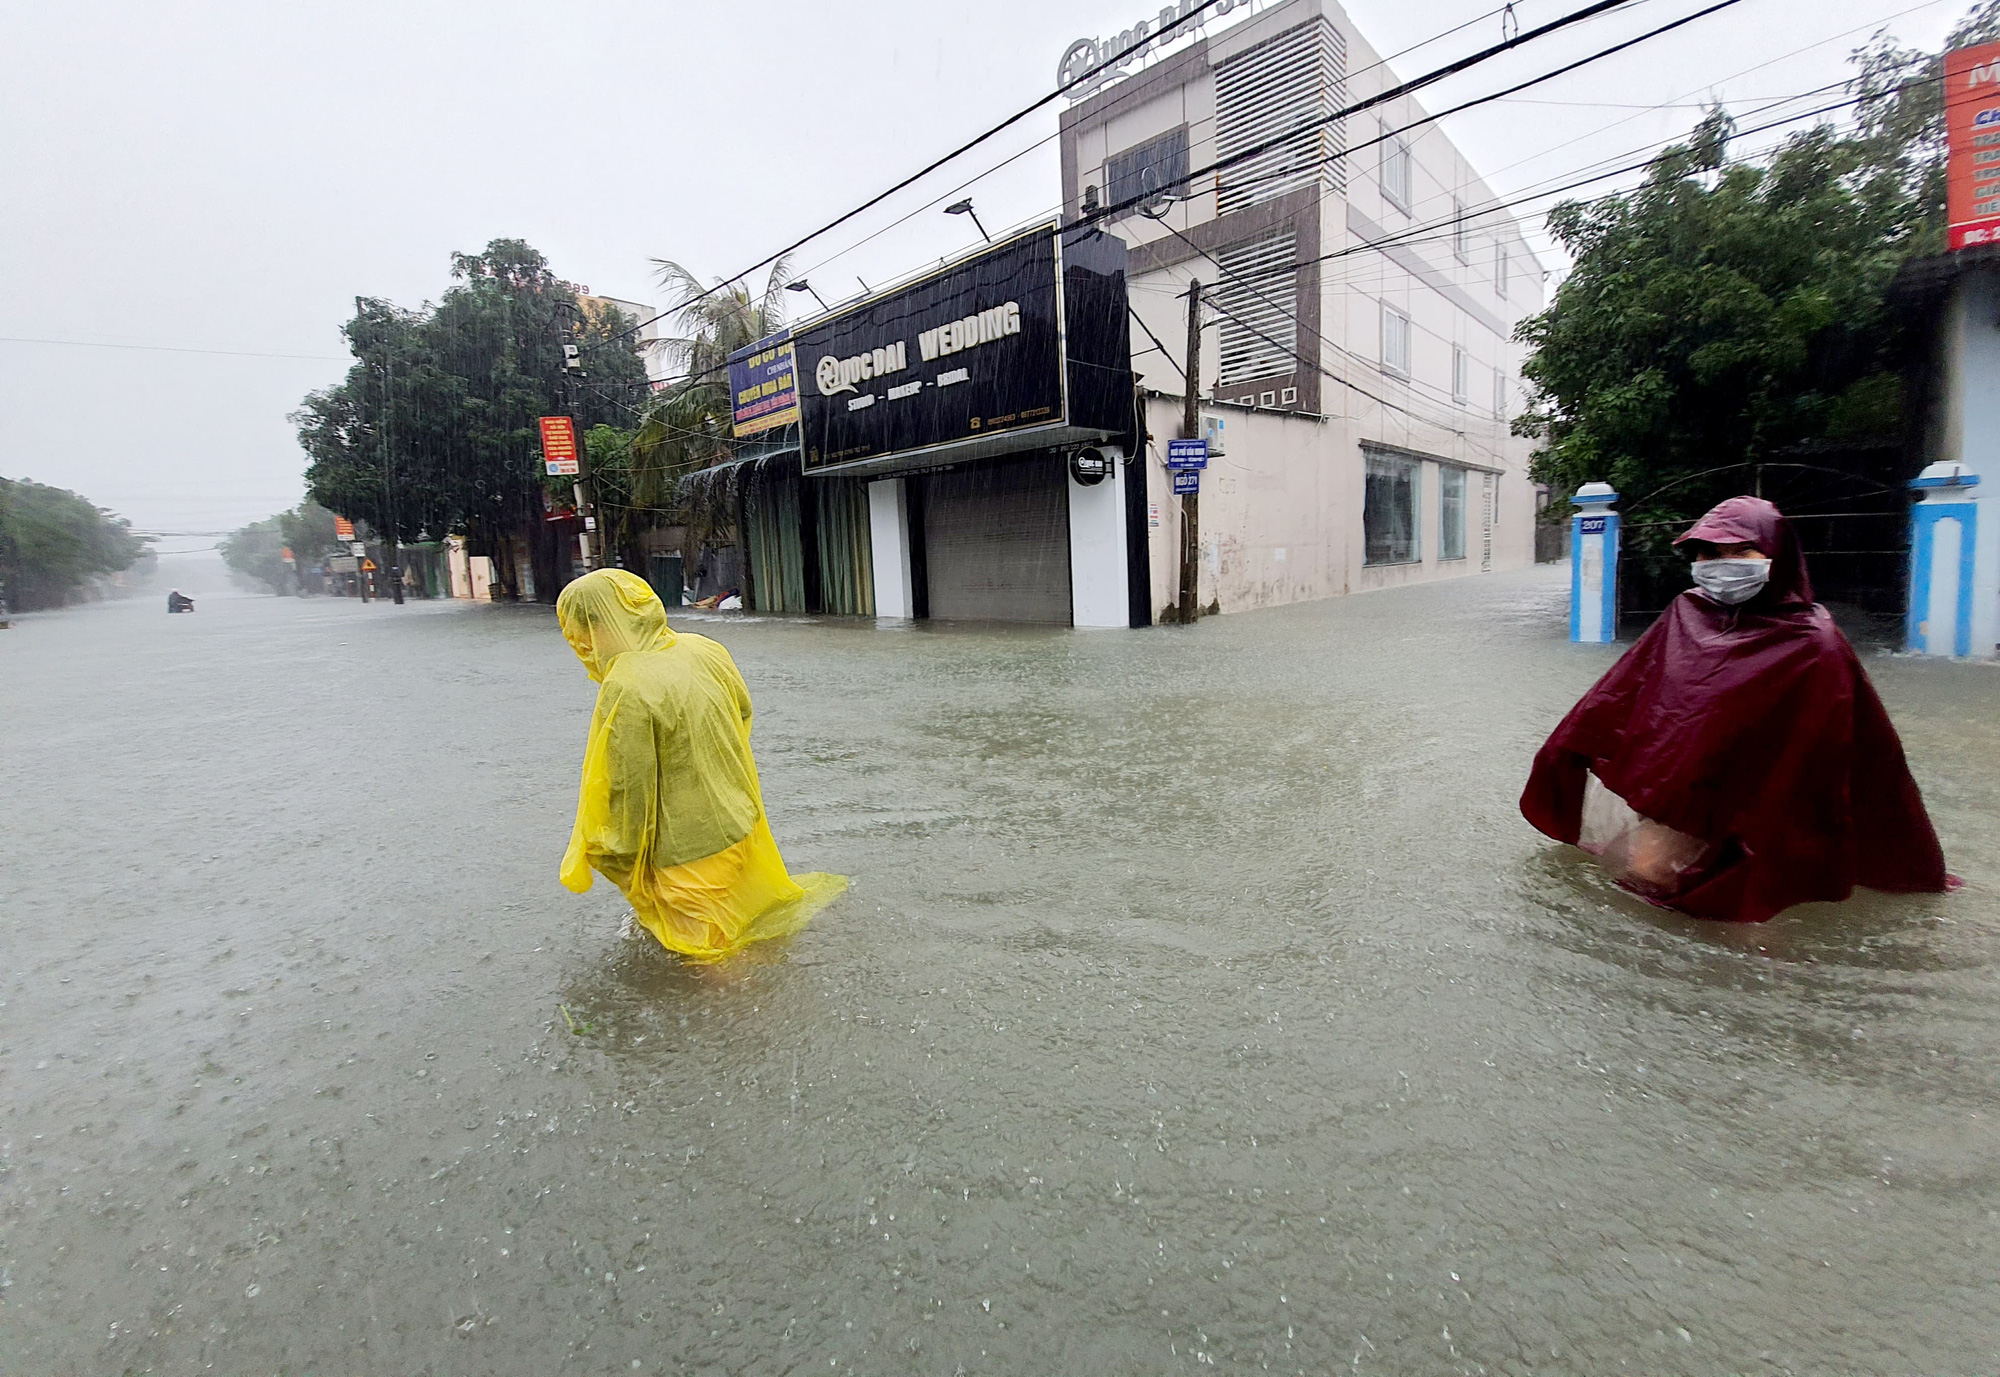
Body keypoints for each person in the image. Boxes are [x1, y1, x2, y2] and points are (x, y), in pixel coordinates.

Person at [1521, 495, 1947, 922]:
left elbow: (1831, 744)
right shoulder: (1687, 612)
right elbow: (1626, 692)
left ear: (1776, 556)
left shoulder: (1814, 640)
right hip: (1689, 789)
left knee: (1749, 907)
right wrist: (1569, 747)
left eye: (1742, 551)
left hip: (1765, 799)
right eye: (1709, 553)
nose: (1723, 564)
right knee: (1648, 877)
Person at [555, 568, 845, 960]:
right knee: (746, 928)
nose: (582, 644)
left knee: (710, 961)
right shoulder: (703, 648)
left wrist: (613, 854)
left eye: (581, 631)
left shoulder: (626, 684)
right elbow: (742, 712)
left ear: (597, 628)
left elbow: (628, 785)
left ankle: (758, 1000)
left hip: (688, 854)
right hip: (741, 821)